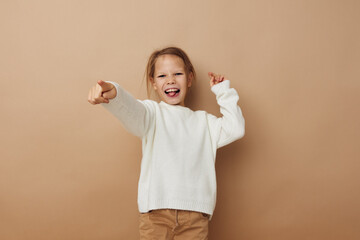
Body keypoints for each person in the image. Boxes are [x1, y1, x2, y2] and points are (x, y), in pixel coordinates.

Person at [87, 46, 245, 239]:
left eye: (177, 73)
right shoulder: (151, 114)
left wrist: (223, 92)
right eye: (162, 76)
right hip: (156, 216)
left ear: (189, 78)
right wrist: (113, 92)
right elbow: (130, 108)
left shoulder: (205, 122)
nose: (170, 80)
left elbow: (235, 128)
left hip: (195, 217)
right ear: (153, 83)